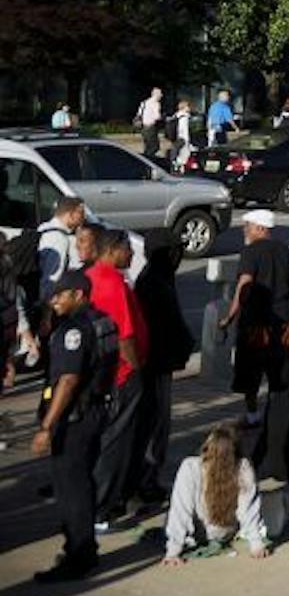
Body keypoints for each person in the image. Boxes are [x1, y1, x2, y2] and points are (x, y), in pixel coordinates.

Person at [33, 270, 119, 583]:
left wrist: (46, 426)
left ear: (78, 295)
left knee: (72, 490)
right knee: (83, 483)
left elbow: (68, 381)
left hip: (75, 420)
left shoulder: (75, 329)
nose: (54, 300)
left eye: (61, 295)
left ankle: (79, 556)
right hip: (95, 412)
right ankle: (85, 549)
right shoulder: (103, 321)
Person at [87, 226, 147, 525]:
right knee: (115, 440)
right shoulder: (113, 284)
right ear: (112, 250)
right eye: (127, 249)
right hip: (122, 375)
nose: (132, 253)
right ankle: (102, 507)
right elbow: (125, 337)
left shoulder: (91, 277)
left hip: (103, 374)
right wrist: (135, 369)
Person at [128, 234, 193, 507]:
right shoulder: (153, 281)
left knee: (157, 425)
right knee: (154, 426)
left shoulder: (162, 277)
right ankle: (145, 481)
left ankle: (148, 479)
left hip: (162, 364)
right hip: (154, 366)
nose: (179, 257)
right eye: (176, 251)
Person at [220, 210, 289, 424]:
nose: (245, 230)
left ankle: (253, 416)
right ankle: (277, 414)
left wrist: (230, 316)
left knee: (250, 371)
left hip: (256, 323)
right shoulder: (285, 251)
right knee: (279, 372)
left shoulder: (251, 252)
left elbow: (244, 284)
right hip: (283, 322)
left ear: (260, 228)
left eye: (248, 226)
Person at [161, 423, 269, 565]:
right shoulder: (243, 466)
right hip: (226, 532)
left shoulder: (190, 467)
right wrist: (256, 544)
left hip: (196, 535)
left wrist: (173, 550)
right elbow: (248, 510)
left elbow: (181, 510)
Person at [36, 196, 90, 301]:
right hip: (50, 300)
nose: (83, 218)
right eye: (81, 213)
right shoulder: (59, 238)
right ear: (71, 214)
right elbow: (52, 276)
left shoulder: (43, 228)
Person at [135, 87, 165, 162]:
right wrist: (163, 117)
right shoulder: (156, 103)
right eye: (160, 94)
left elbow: (139, 114)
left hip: (143, 128)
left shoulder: (144, 102)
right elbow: (157, 116)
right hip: (151, 127)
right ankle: (147, 162)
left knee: (147, 146)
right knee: (155, 147)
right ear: (156, 94)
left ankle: (145, 162)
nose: (161, 95)